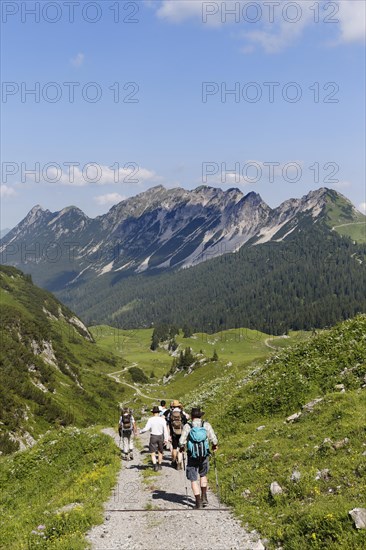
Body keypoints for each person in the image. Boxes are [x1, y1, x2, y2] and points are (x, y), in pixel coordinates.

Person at [179, 407, 218, 509]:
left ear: (192, 416)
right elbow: (213, 438)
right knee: (203, 474)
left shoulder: (188, 426)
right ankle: (204, 496)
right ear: (201, 416)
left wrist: (182, 448)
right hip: (204, 454)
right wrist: (214, 445)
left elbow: (181, 441)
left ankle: (198, 502)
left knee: (193, 479)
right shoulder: (206, 425)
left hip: (192, 455)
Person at [140, 406, 169, 471]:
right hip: (160, 436)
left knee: (152, 452)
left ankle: (155, 465)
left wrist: (140, 431)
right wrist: (166, 439)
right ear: (159, 412)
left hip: (153, 436)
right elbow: (165, 430)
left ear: (153, 413)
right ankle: (159, 465)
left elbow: (146, 429)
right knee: (160, 451)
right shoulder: (162, 419)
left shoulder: (150, 419)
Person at [165, 400, 189, 469]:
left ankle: (174, 460)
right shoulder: (182, 412)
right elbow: (185, 421)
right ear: (179, 406)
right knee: (181, 448)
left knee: (174, 448)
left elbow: (168, 422)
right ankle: (180, 462)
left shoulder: (170, 413)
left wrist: (169, 433)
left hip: (173, 433)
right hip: (181, 432)